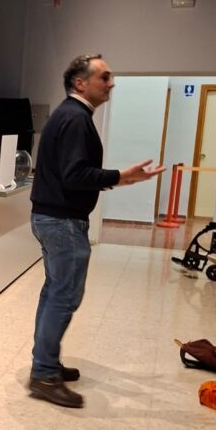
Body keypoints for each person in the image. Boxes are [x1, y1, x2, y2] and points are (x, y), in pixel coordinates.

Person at [29, 54, 165, 407]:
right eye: (104, 77)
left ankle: (45, 363)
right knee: (63, 296)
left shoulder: (69, 115)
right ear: (80, 83)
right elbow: (74, 175)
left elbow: (71, 173)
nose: (111, 83)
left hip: (51, 217)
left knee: (54, 292)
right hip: (62, 222)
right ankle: (43, 373)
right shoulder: (75, 118)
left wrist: (118, 179)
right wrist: (120, 176)